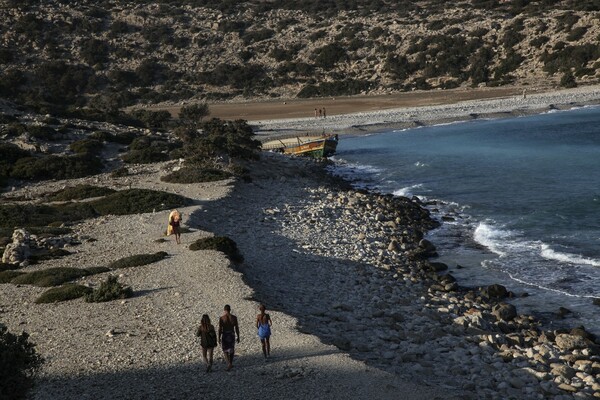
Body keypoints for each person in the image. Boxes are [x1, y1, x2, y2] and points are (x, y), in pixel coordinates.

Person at [218, 305, 239, 371]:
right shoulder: (234, 317)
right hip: (232, 334)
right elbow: (237, 328)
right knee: (231, 349)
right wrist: (238, 336)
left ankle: (228, 364)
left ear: (224, 310)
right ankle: (231, 363)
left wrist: (218, 337)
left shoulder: (222, 318)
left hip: (225, 334)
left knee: (225, 349)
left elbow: (220, 329)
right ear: (230, 309)